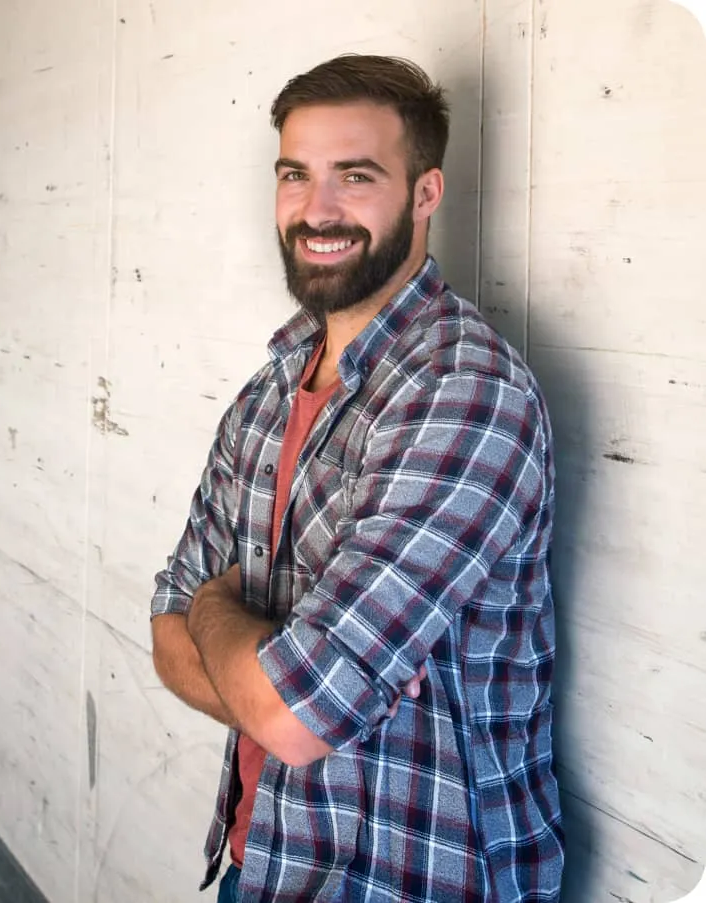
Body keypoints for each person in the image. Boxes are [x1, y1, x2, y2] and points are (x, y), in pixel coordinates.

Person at [149, 54, 564, 903]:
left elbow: (291, 715)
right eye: (294, 175)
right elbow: (167, 636)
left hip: (406, 880)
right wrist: (270, 674)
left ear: (425, 192)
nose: (317, 209)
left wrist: (220, 616)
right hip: (262, 860)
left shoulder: (463, 391)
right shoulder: (268, 391)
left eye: (356, 175)